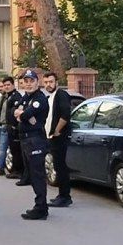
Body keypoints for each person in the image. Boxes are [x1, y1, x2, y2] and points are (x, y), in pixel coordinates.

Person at [13, 69, 50, 220]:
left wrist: (22, 114)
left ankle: (41, 208)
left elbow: (26, 115)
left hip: (35, 140)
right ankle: (40, 205)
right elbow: (14, 111)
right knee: (32, 175)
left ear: (37, 82)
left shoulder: (39, 99)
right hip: (26, 139)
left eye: (31, 81)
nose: (28, 84)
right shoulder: (26, 97)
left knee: (37, 175)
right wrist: (21, 113)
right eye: (26, 81)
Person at [43, 72, 74, 208]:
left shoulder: (61, 95)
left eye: (51, 82)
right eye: (46, 82)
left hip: (59, 137)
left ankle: (65, 197)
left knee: (60, 166)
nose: (48, 85)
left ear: (56, 82)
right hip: (52, 137)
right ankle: (61, 194)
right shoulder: (50, 97)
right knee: (57, 165)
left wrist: (57, 130)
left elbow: (65, 114)